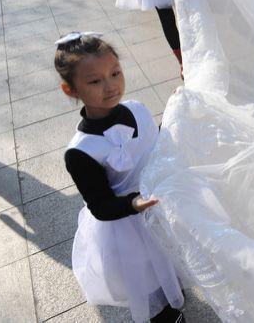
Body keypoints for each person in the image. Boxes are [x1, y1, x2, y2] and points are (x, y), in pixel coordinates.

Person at [56, 33, 185, 322]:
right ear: (70, 89)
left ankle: (175, 297)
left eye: (115, 73)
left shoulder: (137, 109)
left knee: (171, 261)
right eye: (95, 81)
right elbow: (100, 205)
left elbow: (155, 147)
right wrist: (134, 203)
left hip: (160, 207)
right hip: (128, 228)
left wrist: (175, 113)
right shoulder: (81, 151)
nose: (111, 85)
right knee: (149, 278)